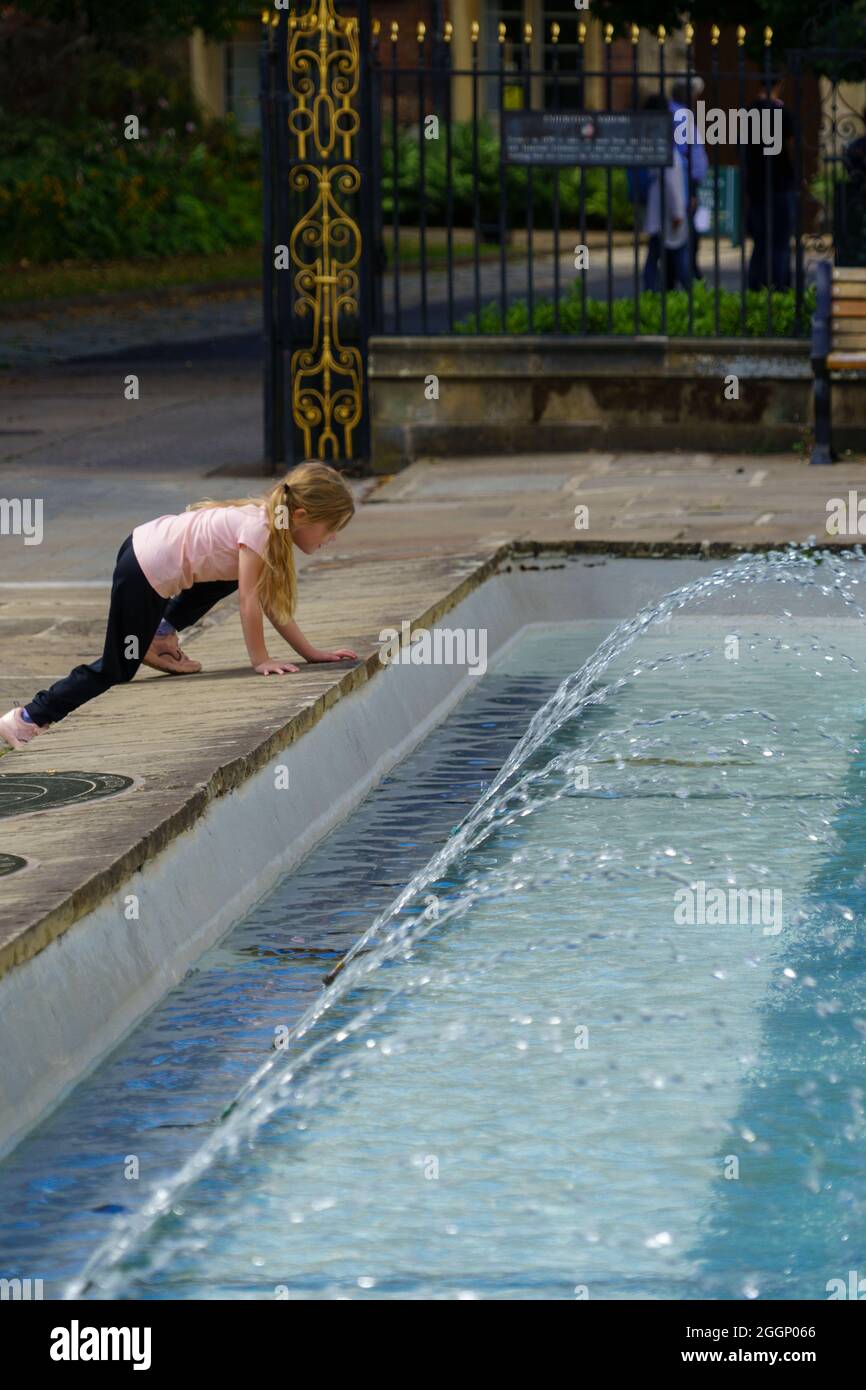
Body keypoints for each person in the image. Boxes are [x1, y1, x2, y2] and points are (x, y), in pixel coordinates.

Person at [0, 460, 358, 751]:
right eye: (330, 527)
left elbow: (270, 602)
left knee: (233, 575)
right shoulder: (261, 530)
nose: (333, 538)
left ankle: (160, 631)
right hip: (145, 568)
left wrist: (312, 653)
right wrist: (261, 660)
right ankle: (28, 718)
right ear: (300, 516)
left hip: (143, 548)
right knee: (116, 668)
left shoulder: (265, 524)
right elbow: (251, 603)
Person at [744, 75, 796, 291]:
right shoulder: (781, 113)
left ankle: (756, 287)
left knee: (761, 242)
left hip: (756, 186)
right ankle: (779, 287)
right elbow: (790, 147)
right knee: (781, 242)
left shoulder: (749, 113)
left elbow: (743, 150)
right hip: (780, 184)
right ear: (779, 85)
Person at [642, 93, 691, 291]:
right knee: (678, 257)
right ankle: (691, 293)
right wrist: (678, 212)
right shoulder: (665, 147)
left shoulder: (653, 142)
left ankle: (652, 292)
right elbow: (672, 184)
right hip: (669, 213)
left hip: (659, 211)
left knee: (655, 256)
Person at [670, 77, 709, 281]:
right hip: (684, 182)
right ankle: (687, 275)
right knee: (687, 234)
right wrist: (690, 190)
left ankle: (684, 274)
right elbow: (683, 154)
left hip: (687, 181)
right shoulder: (679, 115)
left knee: (685, 232)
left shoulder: (680, 113)